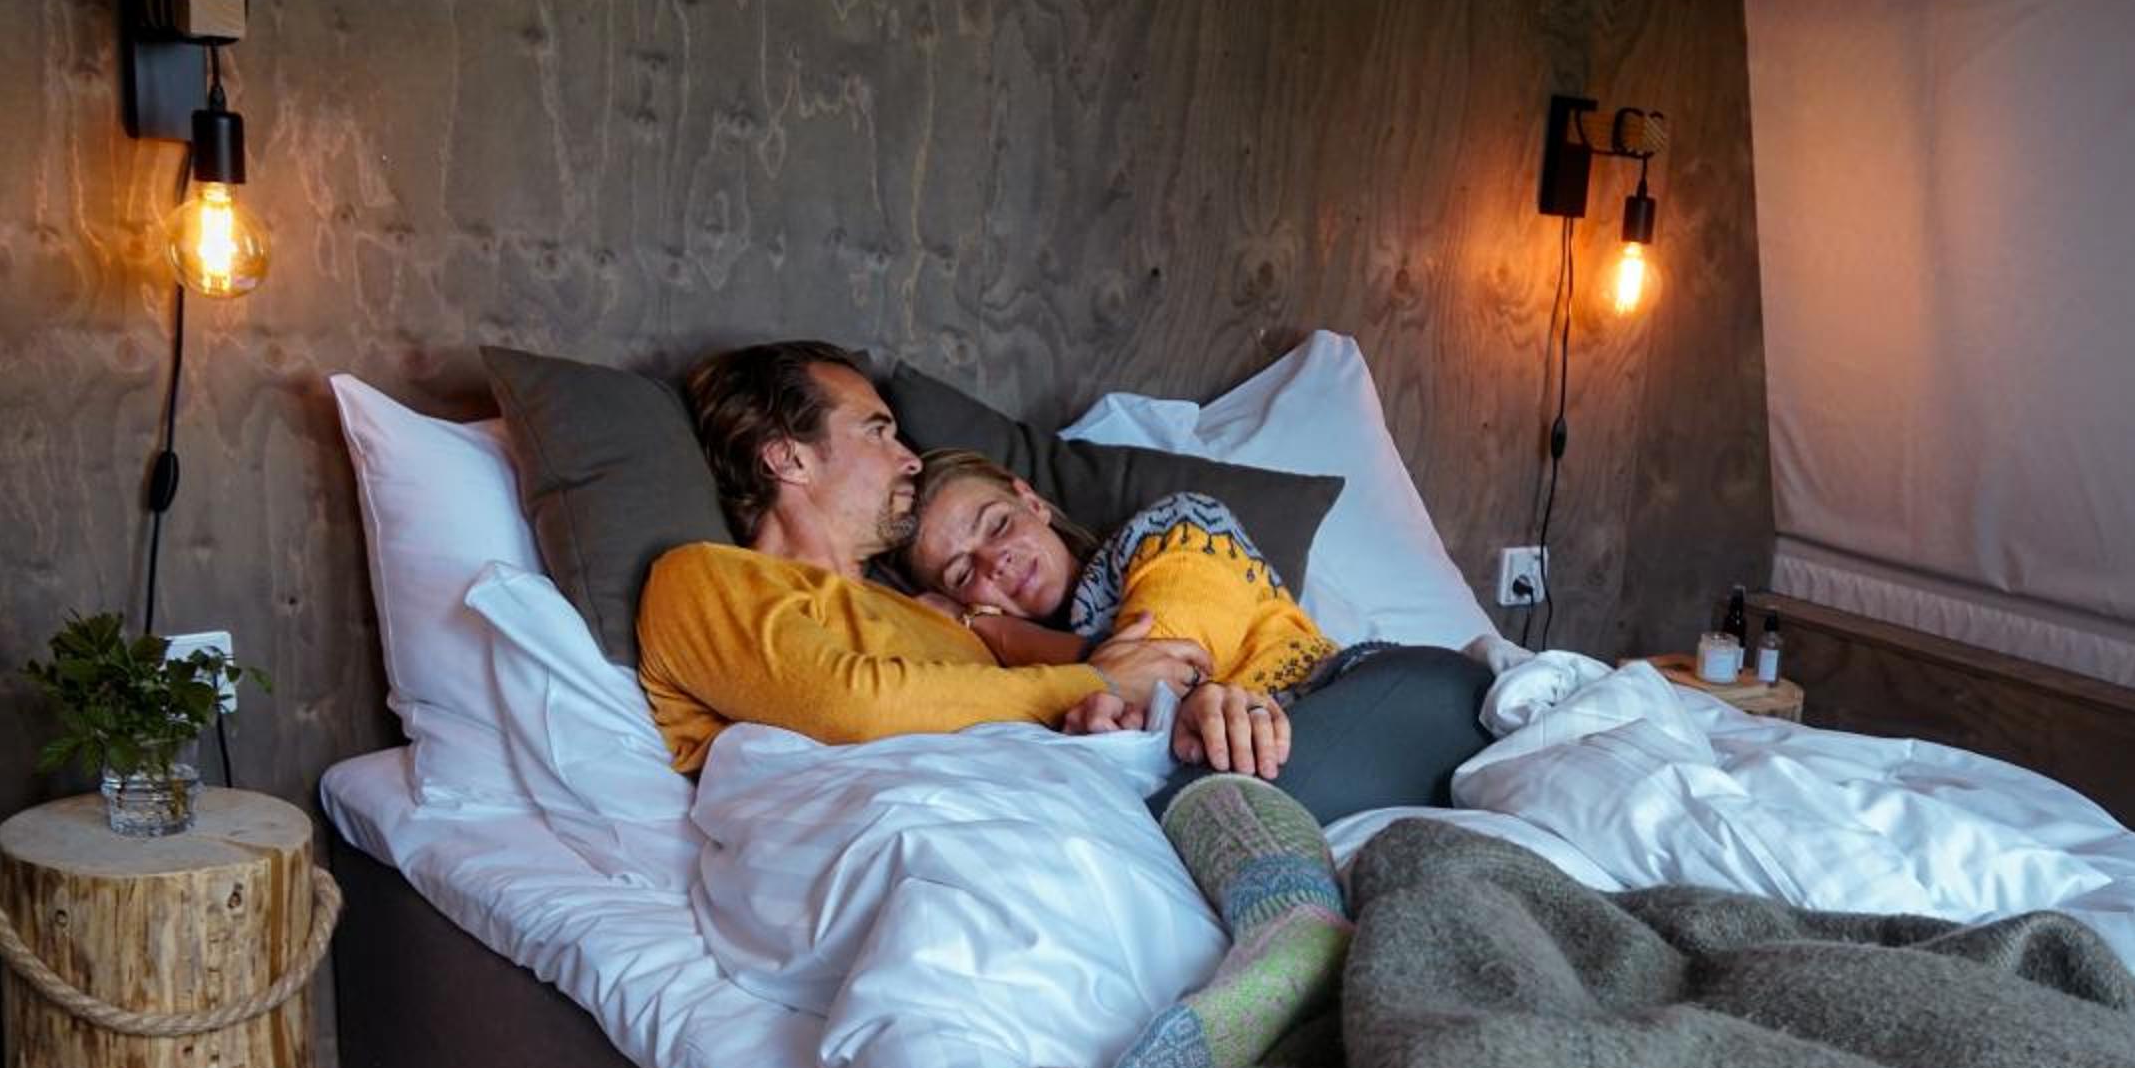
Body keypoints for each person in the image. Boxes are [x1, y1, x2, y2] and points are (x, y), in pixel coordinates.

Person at [635, 341, 1219, 773]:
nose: (910, 460)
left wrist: (1143, 697)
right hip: (901, 833)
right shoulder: (700, 579)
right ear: (790, 459)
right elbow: (851, 709)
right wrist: (1094, 682)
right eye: (877, 433)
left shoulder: (931, 611)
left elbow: (1103, 678)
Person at [900, 451, 1495, 826]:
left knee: (1179, 829)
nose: (997, 562)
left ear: (1032, 501)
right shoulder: (1032, 697)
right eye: (964, 572)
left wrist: (995, 630)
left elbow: (1162, 670)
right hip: (1268, 775)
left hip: (1387, 703)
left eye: (998, 525)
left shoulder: (1176, 528)